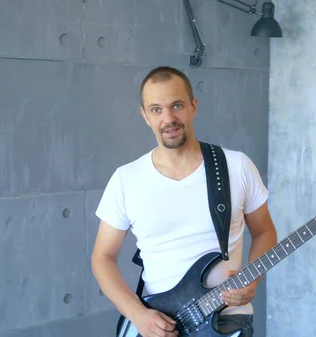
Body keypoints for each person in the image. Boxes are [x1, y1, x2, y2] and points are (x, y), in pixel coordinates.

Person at [91, 66, 278, 337]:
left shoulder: (235, 166)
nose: (168, 118)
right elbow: (102, 258)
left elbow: (264, 231)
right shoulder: (126, 179)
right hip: (160, 324)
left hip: (227, 320)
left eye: (176, 105)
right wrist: (137, 315)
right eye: (156, 109)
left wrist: (252, 280)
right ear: (145, 116)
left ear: (193, 106)